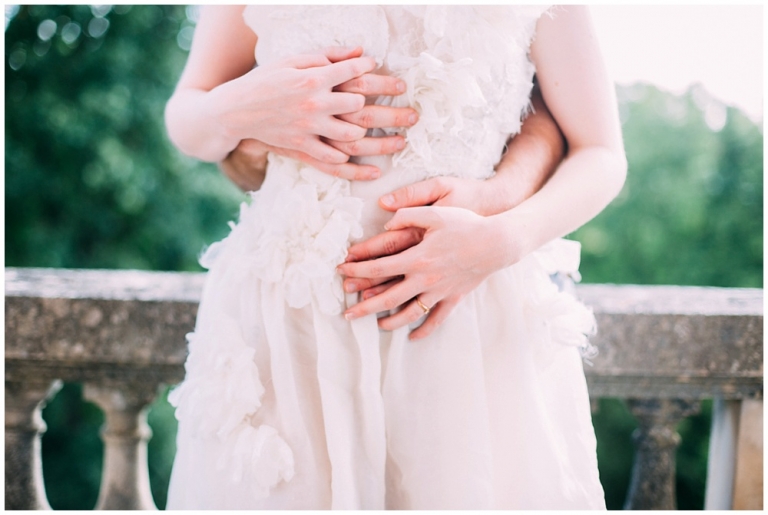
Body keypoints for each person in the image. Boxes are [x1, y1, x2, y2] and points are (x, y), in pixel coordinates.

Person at [164, 5, 627, 509]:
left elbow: (600, 152)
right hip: (286, 319)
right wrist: (239, 107)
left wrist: (502, 241)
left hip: (462, 311)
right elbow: (187, 113)